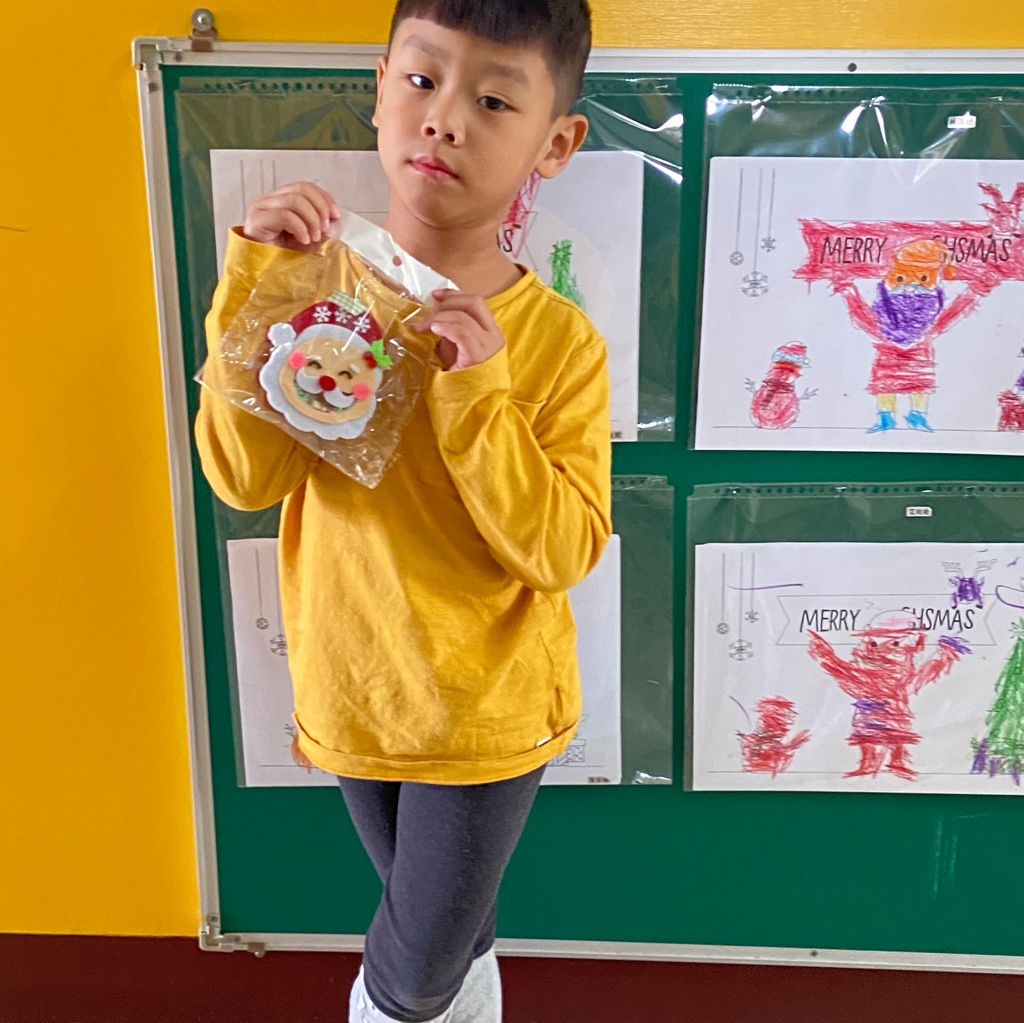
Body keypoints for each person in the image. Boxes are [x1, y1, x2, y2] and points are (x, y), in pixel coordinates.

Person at [194, 2, 610, 1021]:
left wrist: (477, 397)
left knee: (414, 972)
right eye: (422, 80)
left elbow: (562, 550)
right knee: (455, 937)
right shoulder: (312, 297)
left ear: (555, 143)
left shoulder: (559, 342)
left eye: (494, 101)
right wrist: (255, 285)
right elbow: (243, 478)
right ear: (380, 90)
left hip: (484, 712)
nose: (444, 119)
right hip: (355, 687)